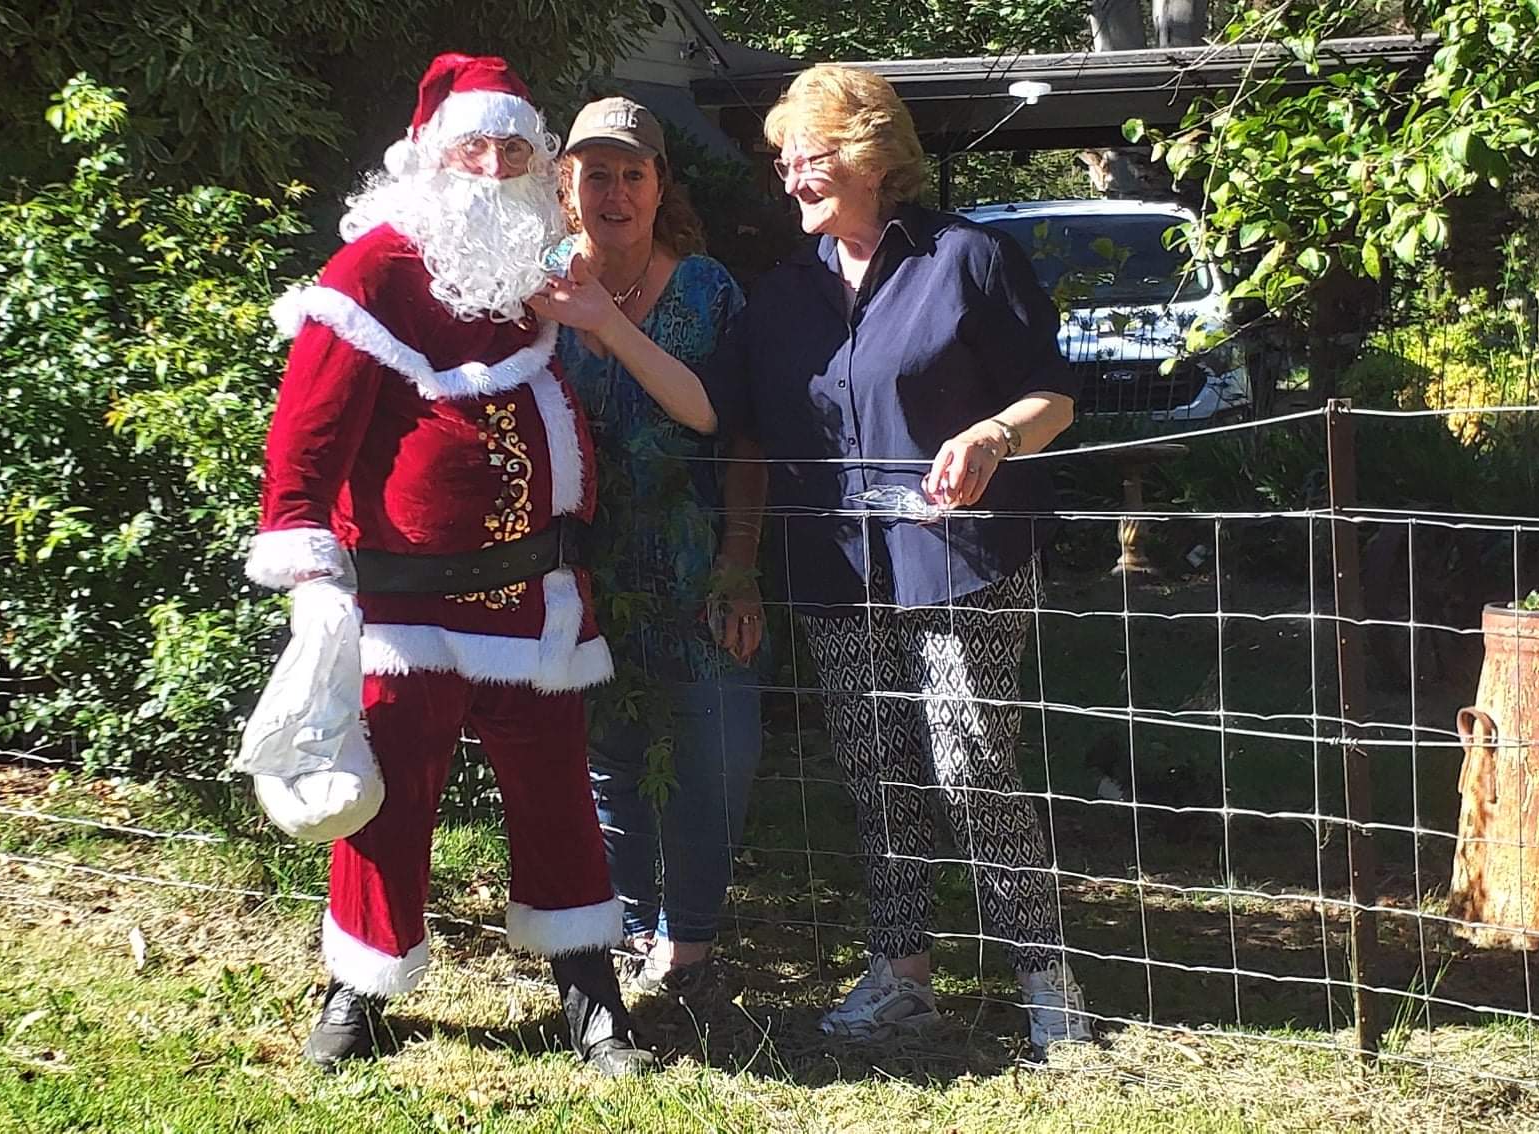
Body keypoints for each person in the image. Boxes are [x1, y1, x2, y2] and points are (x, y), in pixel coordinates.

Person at [534, 64, 1092, 1056]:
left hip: (959, 559)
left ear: (872, 156)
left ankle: (1047, 986)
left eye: (811, 156)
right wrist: (741, 557)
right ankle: (901, 978)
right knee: (876, 778)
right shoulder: (783, 295)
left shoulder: (965, 258)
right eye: (785, 160)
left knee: (969, 767)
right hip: (838, 571)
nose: (791, 176)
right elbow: (730, 423)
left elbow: (1053, 394)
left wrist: (995, 435)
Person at [249, 53, 653, 1077]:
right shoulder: (372, 272)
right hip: (405, 602)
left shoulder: (537, 275)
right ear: (430, 157)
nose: (494, 165)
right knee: (387, 799)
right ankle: (359, 989)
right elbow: (305, 439)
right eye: (475, 146)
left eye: (515, 149)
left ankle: (590, 1000)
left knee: (557, 798)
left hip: (531, 595)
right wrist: (310, 578)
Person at [552, 97, 768, 1001]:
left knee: (714, 754)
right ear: (564, 185)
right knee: (609, 757)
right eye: (595, 174)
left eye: (631, 174)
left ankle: (690, 939)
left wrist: (739, 565)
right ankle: (634, 928)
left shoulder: (706, 290)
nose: (614, 193)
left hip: (695, 564)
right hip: (579, 571)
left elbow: (735, 427)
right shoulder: (535, 289)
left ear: (658, 185)